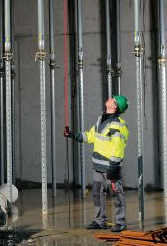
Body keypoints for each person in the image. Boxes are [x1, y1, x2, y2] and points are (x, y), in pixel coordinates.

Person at [65, 95, 129, 232]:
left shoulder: (117, 124)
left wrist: (114, 165)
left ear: (115, 106)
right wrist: (73, 135)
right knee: (97, 193)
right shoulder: (101, 119)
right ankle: (100, 221)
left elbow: (119, 145)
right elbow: (91, 136)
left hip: (110, 166)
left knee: (116, 193)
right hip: (98, 165)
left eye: (113, 99)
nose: (110, 98)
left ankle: (121, 222)